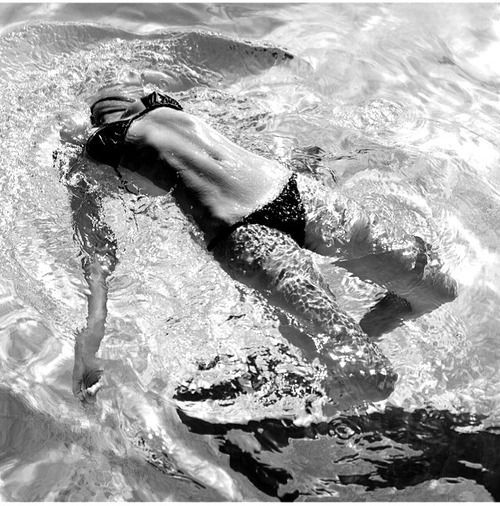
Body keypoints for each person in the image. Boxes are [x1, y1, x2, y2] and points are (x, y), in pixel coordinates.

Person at [66, 87, 458, 404]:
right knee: (378, 377)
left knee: (438, 290)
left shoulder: (105, 149)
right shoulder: (139, 125)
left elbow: (97, 255)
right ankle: (326, 393)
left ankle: (334, 363)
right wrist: (91, 341)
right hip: (250, 230)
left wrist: (91, 338)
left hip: (291, 194)